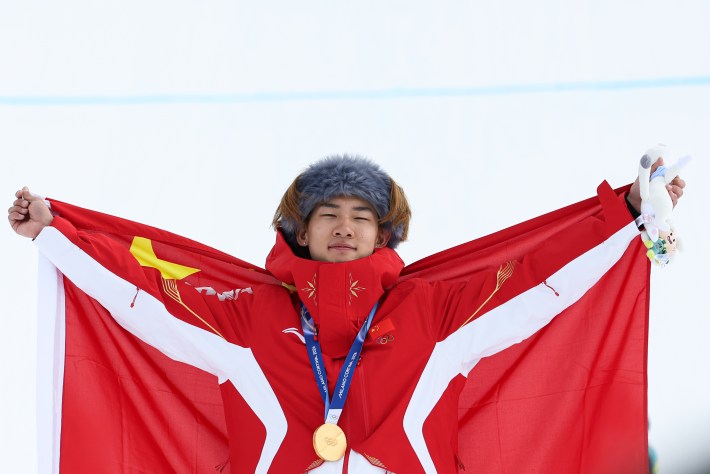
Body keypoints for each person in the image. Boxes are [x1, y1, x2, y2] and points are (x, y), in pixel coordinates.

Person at [8, 155, 685, 473]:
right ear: (296, 231)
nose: (343, 226)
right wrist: (56, 235)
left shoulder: (432, 311)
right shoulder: (248, 315)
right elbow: (142, 294)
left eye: (361, 216)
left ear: (384, 235)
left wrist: (623, 214)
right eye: (326, 213)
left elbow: (539, 282)